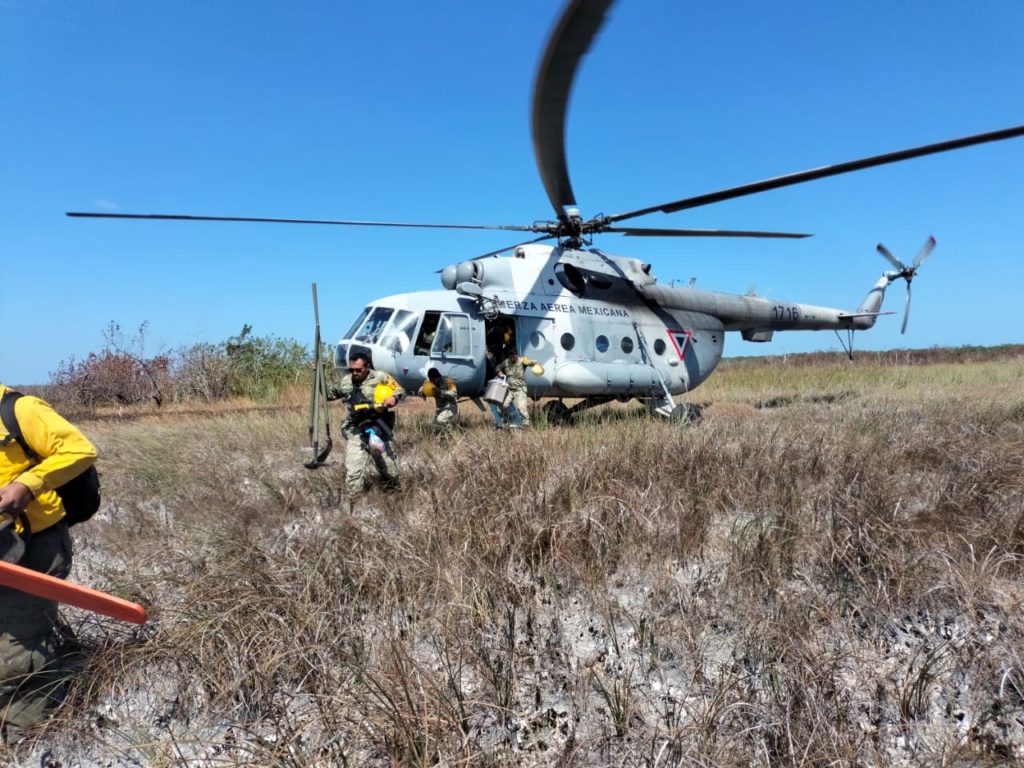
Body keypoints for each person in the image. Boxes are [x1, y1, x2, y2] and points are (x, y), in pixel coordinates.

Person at [0, 384, 97, 740]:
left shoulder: (19, 410)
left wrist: (28, 484)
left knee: (18, 654)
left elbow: (80, 449)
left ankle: (18, 741)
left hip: (36, 549)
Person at [328, 353, 405, 496]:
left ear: (368, 367)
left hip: (377, 428)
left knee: (389, 469)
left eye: (359, 370)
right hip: (356, 429)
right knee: (354, 471)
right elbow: (328, 394)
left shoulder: (381, 377)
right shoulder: (346, 381)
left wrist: (393, 397)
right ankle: (354, 502)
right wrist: (317, 376)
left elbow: (400, 391)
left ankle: (395, 495)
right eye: (352, 370)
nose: (355, 373)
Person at [495, 349, 533, 428]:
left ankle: (526, 425)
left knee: (521, 407)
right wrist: (499, 372)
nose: (514, 357)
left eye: (515, 355)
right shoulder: (506, 362)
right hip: (510, 389)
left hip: (520, 389)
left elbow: (533, 363)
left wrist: (531, 362)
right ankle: (507, 421)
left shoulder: (522, 361)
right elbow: (497, 367)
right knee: (503, 405)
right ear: (509, 356)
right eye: (512, 356)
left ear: (517, 355)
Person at [418, 368, 458, 439]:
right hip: (439, 408)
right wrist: (424, 392)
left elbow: (454, 393)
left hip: (450, 406)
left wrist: (440, 392)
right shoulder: (429, 382)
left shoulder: (448, 381)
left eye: (434, 381)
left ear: (438, 377)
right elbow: (419, 392)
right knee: (435, 428)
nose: (433, 382)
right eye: (431, 381)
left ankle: (454, 438)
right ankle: (441, 442)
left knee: (441, 419)